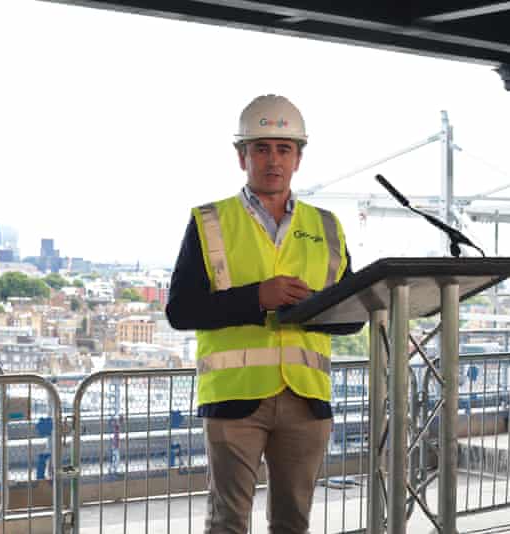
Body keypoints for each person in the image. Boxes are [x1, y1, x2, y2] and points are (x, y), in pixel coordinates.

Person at [165, 94, 364, 534]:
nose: (272, 159)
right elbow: (180, 310)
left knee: (294, 521)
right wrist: (258, 297)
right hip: (234, 399)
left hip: (306, 399)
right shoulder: (209, 221)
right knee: (228, 523)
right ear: (242, 157)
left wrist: (309, 307)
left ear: (297, 159)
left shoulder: (327, 226)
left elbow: (353, 318)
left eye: (283, 149)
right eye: (261, 148)